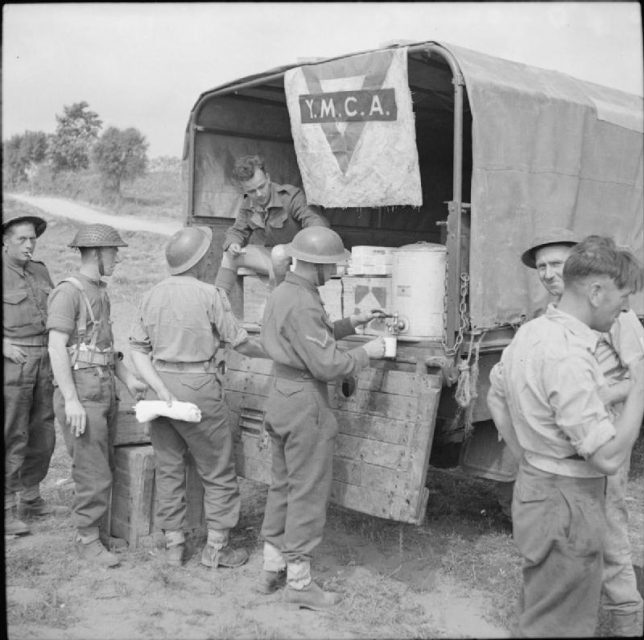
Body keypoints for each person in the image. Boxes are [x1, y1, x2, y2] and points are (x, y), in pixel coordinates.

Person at [487, 235, 644, 637]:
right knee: (562, 622)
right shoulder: (571, 355)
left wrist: (531, 454)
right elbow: (607, 458)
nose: (624, 308)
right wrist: (640, 385)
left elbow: (497, 396)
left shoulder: (532, 332)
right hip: (570, 499)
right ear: (595, 291)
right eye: (621, 297)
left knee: (544, 607)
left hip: (539, 485)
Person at [257, 226, 387, 609]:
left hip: (280, 395)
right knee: (308, 490)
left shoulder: (285, 292)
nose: (336, 271)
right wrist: (370, 352)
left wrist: (353, 323)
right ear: (316, 266)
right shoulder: (304, 302)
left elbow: (307, 335)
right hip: (304, 403)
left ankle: (271, 568)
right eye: (332, 265)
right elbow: (328, 364)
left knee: (282, 485)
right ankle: (299, 583)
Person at [128, 226, 266, 569]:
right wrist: (275, 352)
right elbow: (240, 342)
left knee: (170, 467)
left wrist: (159, 387)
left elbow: (137, 350)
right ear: (201, 260)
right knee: (217, 469)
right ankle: (216, 550)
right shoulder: (210, 295)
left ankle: (174, 547)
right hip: (199, 387)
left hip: (160, 388)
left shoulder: (151, 295)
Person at [47, 224, 147, 567]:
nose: (117, 258)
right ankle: (87, 539)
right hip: (83, 394)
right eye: (113, 252)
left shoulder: (99, 291)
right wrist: (71, 399)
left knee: (104, 465)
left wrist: (129, 379)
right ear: (96, 253)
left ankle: (99, 536)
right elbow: (56, 347)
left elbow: (102, 348)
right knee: (91, 471)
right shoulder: (69, 292)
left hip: (103, 389)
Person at [3, 213, 61, 536]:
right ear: (5, 241)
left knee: (43, 432)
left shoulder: (39, 270)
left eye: (32, 239)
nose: (29, 245)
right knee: (13, 433)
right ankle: (7, 508)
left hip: (44, 359)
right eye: (22, 239)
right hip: (14, 362)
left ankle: (31, 497)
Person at [214, 154, 330, 295]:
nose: (259, 194)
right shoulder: (248, 205)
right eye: (251, 191)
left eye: (261, 187)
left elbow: (316, 224)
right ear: (244, 190)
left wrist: (301, 250)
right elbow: (237, 231)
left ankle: (280, 299)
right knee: (229, 255)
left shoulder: (291, 197)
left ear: (268, 178)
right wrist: (233, 244)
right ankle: (218, 305)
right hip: (272, 258)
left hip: (298, 260)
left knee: (279, 253)